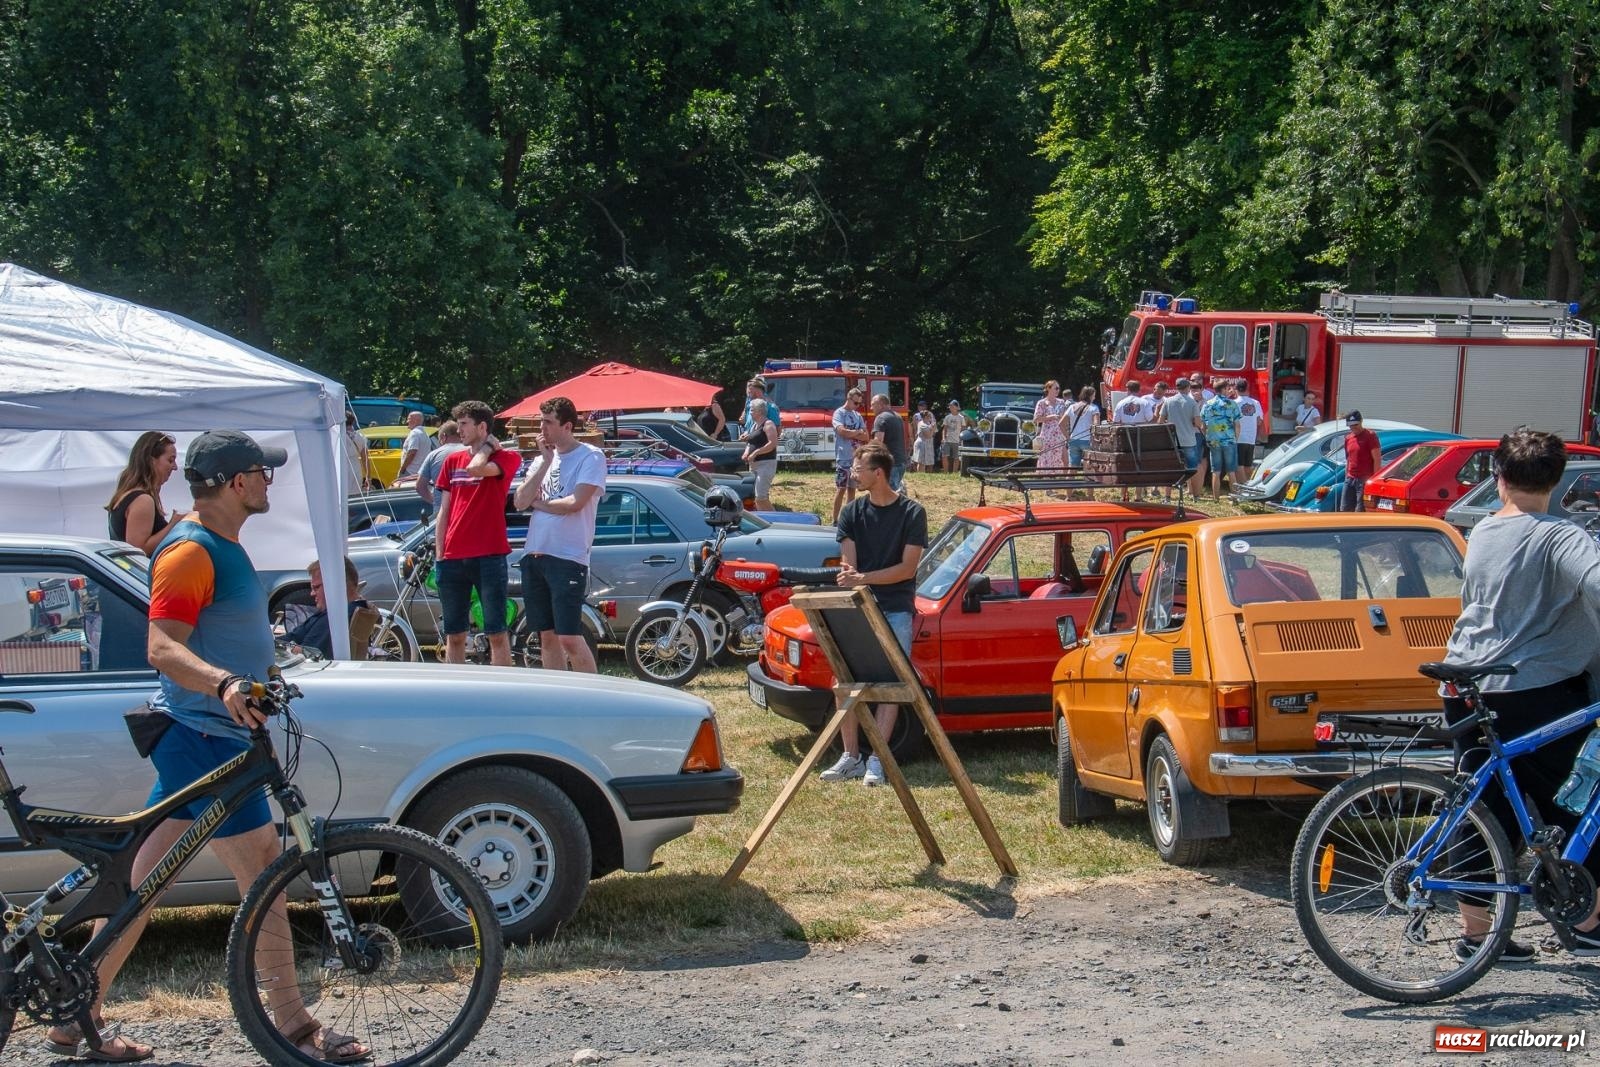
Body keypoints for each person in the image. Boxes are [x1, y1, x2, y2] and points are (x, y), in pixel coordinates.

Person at [47, 430, 370, 1065]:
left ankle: (75, 1014)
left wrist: (266, 668)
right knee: (266, 879)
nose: (270, 482)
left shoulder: (221, 545)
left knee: (138, 888)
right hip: (206, 741)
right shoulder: (192, 551)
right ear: (234, 482)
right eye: (262, 472)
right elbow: (162, 647)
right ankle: (295, 1026)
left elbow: (219, 634)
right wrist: (224, 683)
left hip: (204, 737)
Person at [1443, 428, 1600, 962]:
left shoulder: (1485, 531)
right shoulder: (1563, 536)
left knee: (1483, 807)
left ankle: (1478, 935)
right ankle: (1586, 920)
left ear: (1499, 477)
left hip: (1467, 684)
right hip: (1537, 689)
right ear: (1557, 480)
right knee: (1579, 799)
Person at [819, 442, 928, 787]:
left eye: (858, 470)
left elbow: (907, 570)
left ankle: (878, 760)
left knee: (891, 686)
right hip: (859, 608)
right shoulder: (852, 513)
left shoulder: (912, 513)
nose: (853, 475)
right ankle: (851, 757)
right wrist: (854, 577)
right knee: (843, 683)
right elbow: (849, 566)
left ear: (877, 473)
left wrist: (862, 578)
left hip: (896, 608)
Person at [513, 396, 605, 671]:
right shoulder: (544, 460)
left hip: (568, 556)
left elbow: (575, 503)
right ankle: (559, 697)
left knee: (569, 637)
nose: (542, 428)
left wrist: (539, 504)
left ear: (567, 426)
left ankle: (593, 695)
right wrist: (544, 462)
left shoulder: (591, 456)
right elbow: (519, 501)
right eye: (541, 421)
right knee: (546, 636)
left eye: (548, 422)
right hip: (536, 553)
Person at [435, 400, 522, 665]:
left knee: (496, 632)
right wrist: (440, 553)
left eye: (464, 424)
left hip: (489, 556)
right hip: (452, 557)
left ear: (482, 426)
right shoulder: (451, 461)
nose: (458, 430)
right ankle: (456, 690)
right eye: (458, 424)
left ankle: (502, 691)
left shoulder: (507, 457)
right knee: (455, 633)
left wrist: (485, 447)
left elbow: (475, 468)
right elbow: (444, 511)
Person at [106, 430, 181, 555]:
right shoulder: (142, 500)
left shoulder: (125, 495)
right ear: (152, 461)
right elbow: (138, 549)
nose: (175, 467)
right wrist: (174, 525)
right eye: (170, 460)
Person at [282, 556, 370, 660]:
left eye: (317, 587)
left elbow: (307, 657)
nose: (312, 593)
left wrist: (292, 649)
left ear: (335, 584)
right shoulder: (348, 610)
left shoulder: (337, 616)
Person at [1159, 378, 1205, 496]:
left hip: (1172, 441)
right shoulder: (1192, 402)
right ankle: (1196, 495)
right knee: (1192, 468)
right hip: (1189, 440)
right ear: (1188, 388)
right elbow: (1198, 423)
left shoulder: (1168, 401)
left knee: (1170, 468)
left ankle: (1167, 496)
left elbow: (1160, 421)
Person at [831, 388, 870, 523]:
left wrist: (855, 433)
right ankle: (835, 520)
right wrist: (857, 432)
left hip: (855, 459)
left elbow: (866, 436)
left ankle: (848, 518)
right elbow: (842, 432)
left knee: (852, 490)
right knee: (841, 489)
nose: (857, 406)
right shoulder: (838, 413)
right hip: (843, 458)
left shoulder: (857, 415)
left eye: (859, 403)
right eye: (856, 403)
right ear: (848, 399)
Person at [1199, 380, 1241, 497]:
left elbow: (1203, 426)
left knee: (1216, 471)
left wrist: (1207, 436)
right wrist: (1235, 439)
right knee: (1231, 471)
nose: (1229, 391)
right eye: (1228, 388)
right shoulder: (1232, 404)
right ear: (1223, 389)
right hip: (1229, 440)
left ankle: (1215, 497)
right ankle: (1234, 497)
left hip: (1214, 441)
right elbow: (1237, 425)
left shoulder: (1207, 404)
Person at [415, 420, 466, 508]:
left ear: (443, 436)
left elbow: (420, 487)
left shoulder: (434, 455)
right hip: (467, 508)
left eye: (439, 440)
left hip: (442, 509)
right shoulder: (472, 451)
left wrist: (435, 501)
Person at [1338, 410, 1382, 511]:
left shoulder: (1370, 436)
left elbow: (1377, 459)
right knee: (1344, 509)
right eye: (1350, 425)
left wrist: (1374, 481)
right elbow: (1348, 459)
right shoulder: (1348, 438)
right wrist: (1346, 477)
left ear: (1361, 421)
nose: (1353, 428)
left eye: (1355, 424)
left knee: (1360, 510)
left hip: (1364, 480)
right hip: (1350, 479)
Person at [742, 397, 780, 511]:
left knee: (761, 497)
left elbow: (773, 443)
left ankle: (776, 519)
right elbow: (751, 442)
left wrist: (756, 453)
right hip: (754, 465)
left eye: (752, 410)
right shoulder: (754, 425)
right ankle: (763, 518)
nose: (750, 412)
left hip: (766, 464)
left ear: (759, 411)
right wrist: (746, 452)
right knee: (755, 497)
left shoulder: (768, 424)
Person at [870, 393, 908, 491]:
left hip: (890, 463)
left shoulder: (881, 418)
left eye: (873, 404)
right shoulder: (897, 416)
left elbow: (878, 442)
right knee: (896, 492)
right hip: (901, 461)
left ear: (881, 404)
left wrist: (868, 456)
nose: (871, 407)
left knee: (889, 494)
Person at [1032, 380, 1069, 473]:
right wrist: (1050, 417)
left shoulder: (1061, 402)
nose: (1058, 390)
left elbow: (1065, 418)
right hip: (1047, 436)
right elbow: (1036, 419)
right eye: (1055, 388)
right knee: (1047, 460)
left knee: (1064, 459)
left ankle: (1063, 482)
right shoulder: (1042, 403)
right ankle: (1047, 482)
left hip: (1059, 435)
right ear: (1048, 389)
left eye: (1058, 388)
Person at [1061, 386, 1100, 471]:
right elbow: (1096, 425)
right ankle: (1087, 483)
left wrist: (1067, 437)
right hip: (1087, 440)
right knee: (1089, 467)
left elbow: (1061, 424)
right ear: (1089, 396)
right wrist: (1094, 437)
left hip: (1073, 440)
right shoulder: (1094, 408)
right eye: (1094, 395)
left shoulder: (1072, 407)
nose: (1094, 397)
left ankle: (1069, 483)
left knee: (1072, 467)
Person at [1235, 379, 1267, 482]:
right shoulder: (1255, 403)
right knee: (1248, 465)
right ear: (1247, 389)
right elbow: (1259, 421)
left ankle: (1243, 486)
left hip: (1238, 438)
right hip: (1251, 438)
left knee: (1238, 465)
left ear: (1236, 389)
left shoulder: (1234, 403)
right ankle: (1249, 483)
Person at [342, 411, 372, 496]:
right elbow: (365, 458)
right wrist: (368, 477)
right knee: (354, 495)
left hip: (341, 466)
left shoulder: (338, 436)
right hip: (355, 467)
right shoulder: (360, 436)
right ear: (353, 421)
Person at [399, 409, 433, 481]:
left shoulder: (414, 433)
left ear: (415, 420)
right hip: (420, 471)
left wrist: (402, 469)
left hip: (410, 472)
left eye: (408, 419)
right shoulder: (425, 434)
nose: (407, 422)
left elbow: (412, 452)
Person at [941, 399, 968, 474]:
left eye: (952, 406)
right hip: (947, 439)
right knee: (944, 456)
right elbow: (944, 429)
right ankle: (945, 472)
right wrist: (943, 438)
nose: (950, 407)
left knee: (956, 458)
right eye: (950, 406)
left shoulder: (961, 418)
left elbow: (963, 430)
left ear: (956, 407)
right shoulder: (947, 417)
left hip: (957, 440)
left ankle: (954, 473)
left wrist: (961, 439)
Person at [912, 401, 937, 472]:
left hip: (929, 443)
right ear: (926, 417)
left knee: (930, 462)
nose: (930, 417)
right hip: (922, 443)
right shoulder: (921, 423)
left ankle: (928, 476)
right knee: (921, 462)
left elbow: (934, 431)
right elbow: (928, 435)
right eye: (929, 416)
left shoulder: (929, 423)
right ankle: (920, 476)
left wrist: (932, 428)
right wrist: (932, 429)